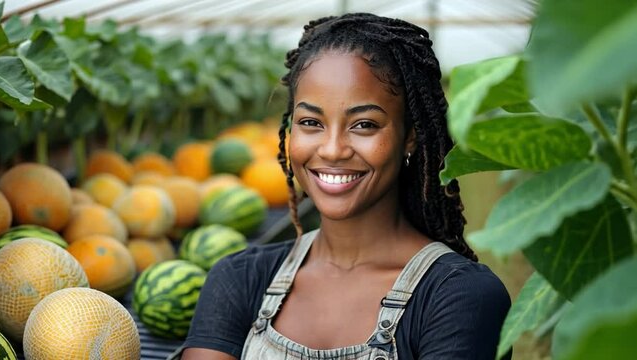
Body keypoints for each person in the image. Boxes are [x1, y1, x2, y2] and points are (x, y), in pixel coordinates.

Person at [181, 12, 511, 360]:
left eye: (364, 124)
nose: (333, 149)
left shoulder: (460, 297)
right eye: (311, 122)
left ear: (410, 137)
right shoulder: (237, 279)